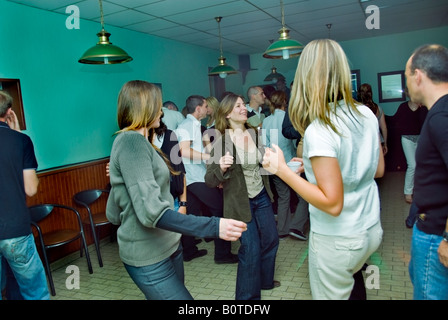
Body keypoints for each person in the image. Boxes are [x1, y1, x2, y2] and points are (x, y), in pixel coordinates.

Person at [262, 39, 384, 300]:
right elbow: (377, 170)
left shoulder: (320, 128)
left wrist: (281, 169)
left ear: (305, 77)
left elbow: (332, 203)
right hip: (370, 228)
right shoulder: (365, 113)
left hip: (339, 239)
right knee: (355, 287)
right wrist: (316, 165)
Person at [106, 81, 247, 300]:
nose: (161, 112)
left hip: (169, 245)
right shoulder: (131, 142)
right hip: (148, 254)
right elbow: (152, 213)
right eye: (158, 106)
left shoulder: (145, 142)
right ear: (145, 107)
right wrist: (213, 225)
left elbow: (114, 212)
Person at [205, 93, 280, 300]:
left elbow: (263, 163)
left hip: (261, 196)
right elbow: (210, 179)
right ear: (228, 113)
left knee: (272, 239)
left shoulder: (254, 133)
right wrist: (220, 168)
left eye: (243, 105)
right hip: (240, 202)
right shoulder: (221, 141)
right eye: (238, 106)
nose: (244, 108)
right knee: (251, 249)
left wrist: (276, 162)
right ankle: (247, 300)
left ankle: (265, 281)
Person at [405, 44, 448, 300]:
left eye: (407, 77)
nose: (407, 85)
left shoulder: (442, 115)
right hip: (429, 229)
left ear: (418, 76)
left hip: (436, 235)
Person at [175, 95, 238, 264]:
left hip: (193, 177)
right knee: (220, 210)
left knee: (191, 214)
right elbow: (184, 151)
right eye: (205, 106)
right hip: (195, 178)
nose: (207, 109)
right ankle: (222, 255)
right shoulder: (187, 125)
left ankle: (188, 251)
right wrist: (209, 157)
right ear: (198, 109)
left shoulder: (193, 125)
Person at [0, 90, 50, 300]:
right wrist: (18, 134)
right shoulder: (21, 141)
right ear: (9, 112)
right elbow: (30, 189)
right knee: (34, 292)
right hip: (15, 231)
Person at [262, 90, 307, 240]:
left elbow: (264, 145)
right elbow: (295, 140)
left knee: (283, 197)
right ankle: (297, 227)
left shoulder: (266, 120)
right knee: (304, 196)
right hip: (291, 163)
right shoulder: (289, 119)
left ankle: (282, 229)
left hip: (274, 164)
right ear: (285, 102)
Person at [394, 90, 428, 204]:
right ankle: (408, 192)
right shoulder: (403, 107)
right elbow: (397, 122)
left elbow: (426, 123)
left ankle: (419, 191)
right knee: (412, 165)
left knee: (420, 165)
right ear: (408, 94)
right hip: (407, 139)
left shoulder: (423, 107)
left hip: (420, 139)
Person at [151, 118, 187, 213]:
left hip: (172, 203)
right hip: (150, 205)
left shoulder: (169, 136)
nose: (160, 114)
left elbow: (180, 171)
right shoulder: (138, 141)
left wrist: (183, 204)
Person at [357, 83, 388, 156]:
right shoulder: (378, 109)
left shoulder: (356, 109)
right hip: (377, 141)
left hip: (363, 143)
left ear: (359, 93)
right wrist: (385, 144)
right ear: (371, 94)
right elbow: (384, 128)